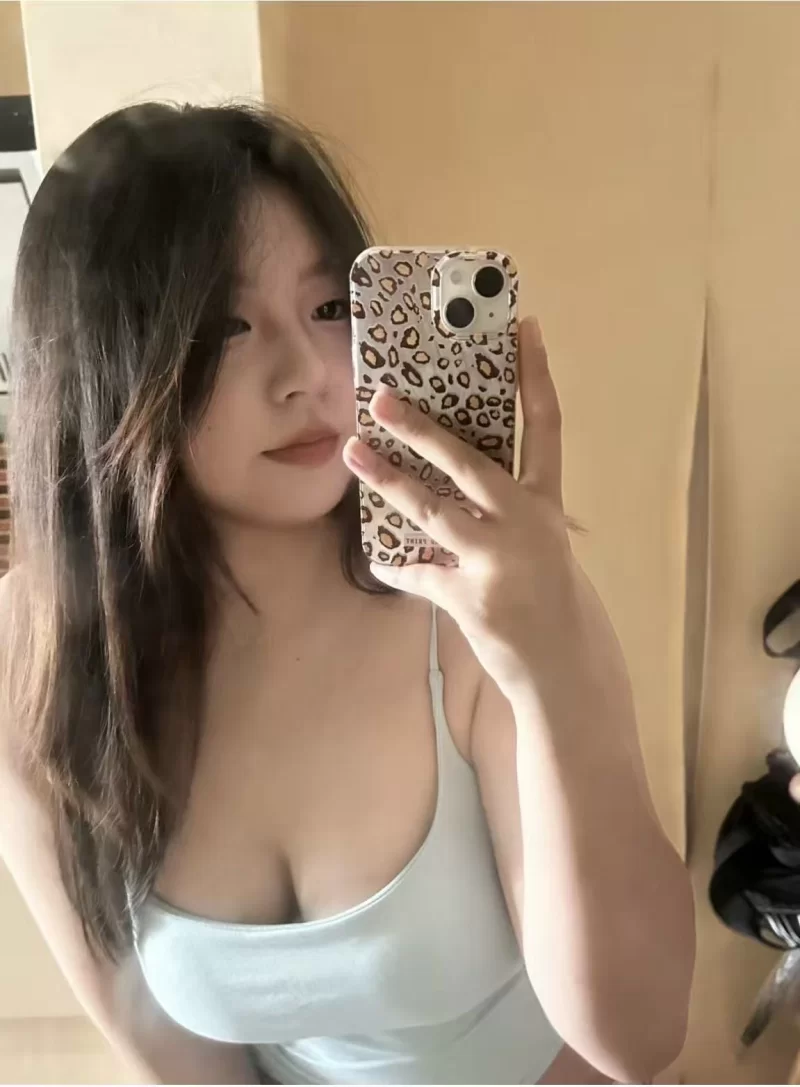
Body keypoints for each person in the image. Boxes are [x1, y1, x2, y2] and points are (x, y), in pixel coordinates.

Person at [0, 102, 694, 1085]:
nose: (308, 375)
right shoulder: (32, 658)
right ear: (100, 366)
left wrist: (547, 670)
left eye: (331, 308)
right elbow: (171, 1056)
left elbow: (637, 1038)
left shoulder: (477, 599)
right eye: (223, 326)